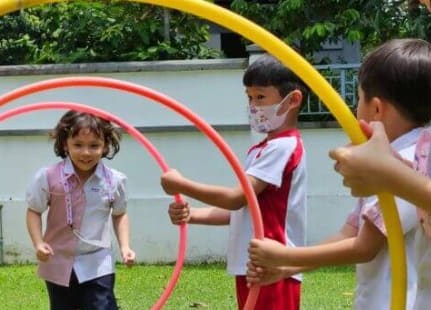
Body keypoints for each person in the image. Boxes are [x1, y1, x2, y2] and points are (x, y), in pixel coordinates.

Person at [249, 38, 431, 309]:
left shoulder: (410, 161)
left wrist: (283, 254)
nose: (355, 109)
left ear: (377, 108)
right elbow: (350, 233)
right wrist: (288, 265)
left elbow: (363, 247)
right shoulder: (389, 159)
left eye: (358, 98)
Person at [161, 54, 308, 309]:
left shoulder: (283, 147)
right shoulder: (263, 148)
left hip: (272, 263)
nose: (253, 105)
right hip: (253, 263)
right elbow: (243, 211)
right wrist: (192, 215)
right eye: (249, 97)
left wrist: (182, 184)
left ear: (292, 100)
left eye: (260, 97)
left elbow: (236, 197)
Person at [26, 110, 135, 310]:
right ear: (65, 144)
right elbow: (34, 210)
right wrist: (38, 243)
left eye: (94, 145)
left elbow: (120, 214)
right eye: (78, 145)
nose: (86, 152)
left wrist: (125, 247)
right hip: (57, 260)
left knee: (101, 306)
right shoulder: (48, 176)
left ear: (105, 146)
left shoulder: (114, 180)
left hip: (98, 261)